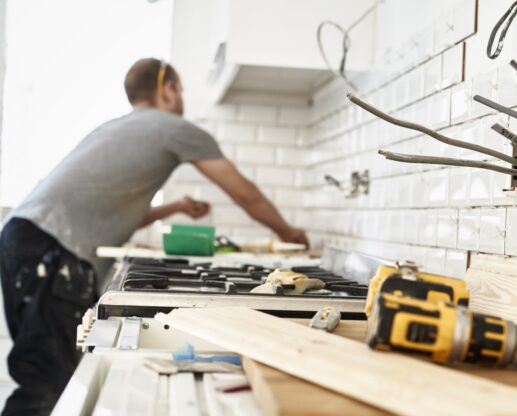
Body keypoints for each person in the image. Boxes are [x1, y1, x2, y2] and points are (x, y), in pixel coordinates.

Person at [0, 58, 308, 415]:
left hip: (23, 239)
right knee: (46, 384)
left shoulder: (115, 128)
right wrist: (289, 233)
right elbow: (245, 194)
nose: (182, 98)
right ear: (168, 90)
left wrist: (173, 207)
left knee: (46, 376)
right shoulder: (175, 128)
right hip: (51, 251)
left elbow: (113, 211)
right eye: (180, 90)